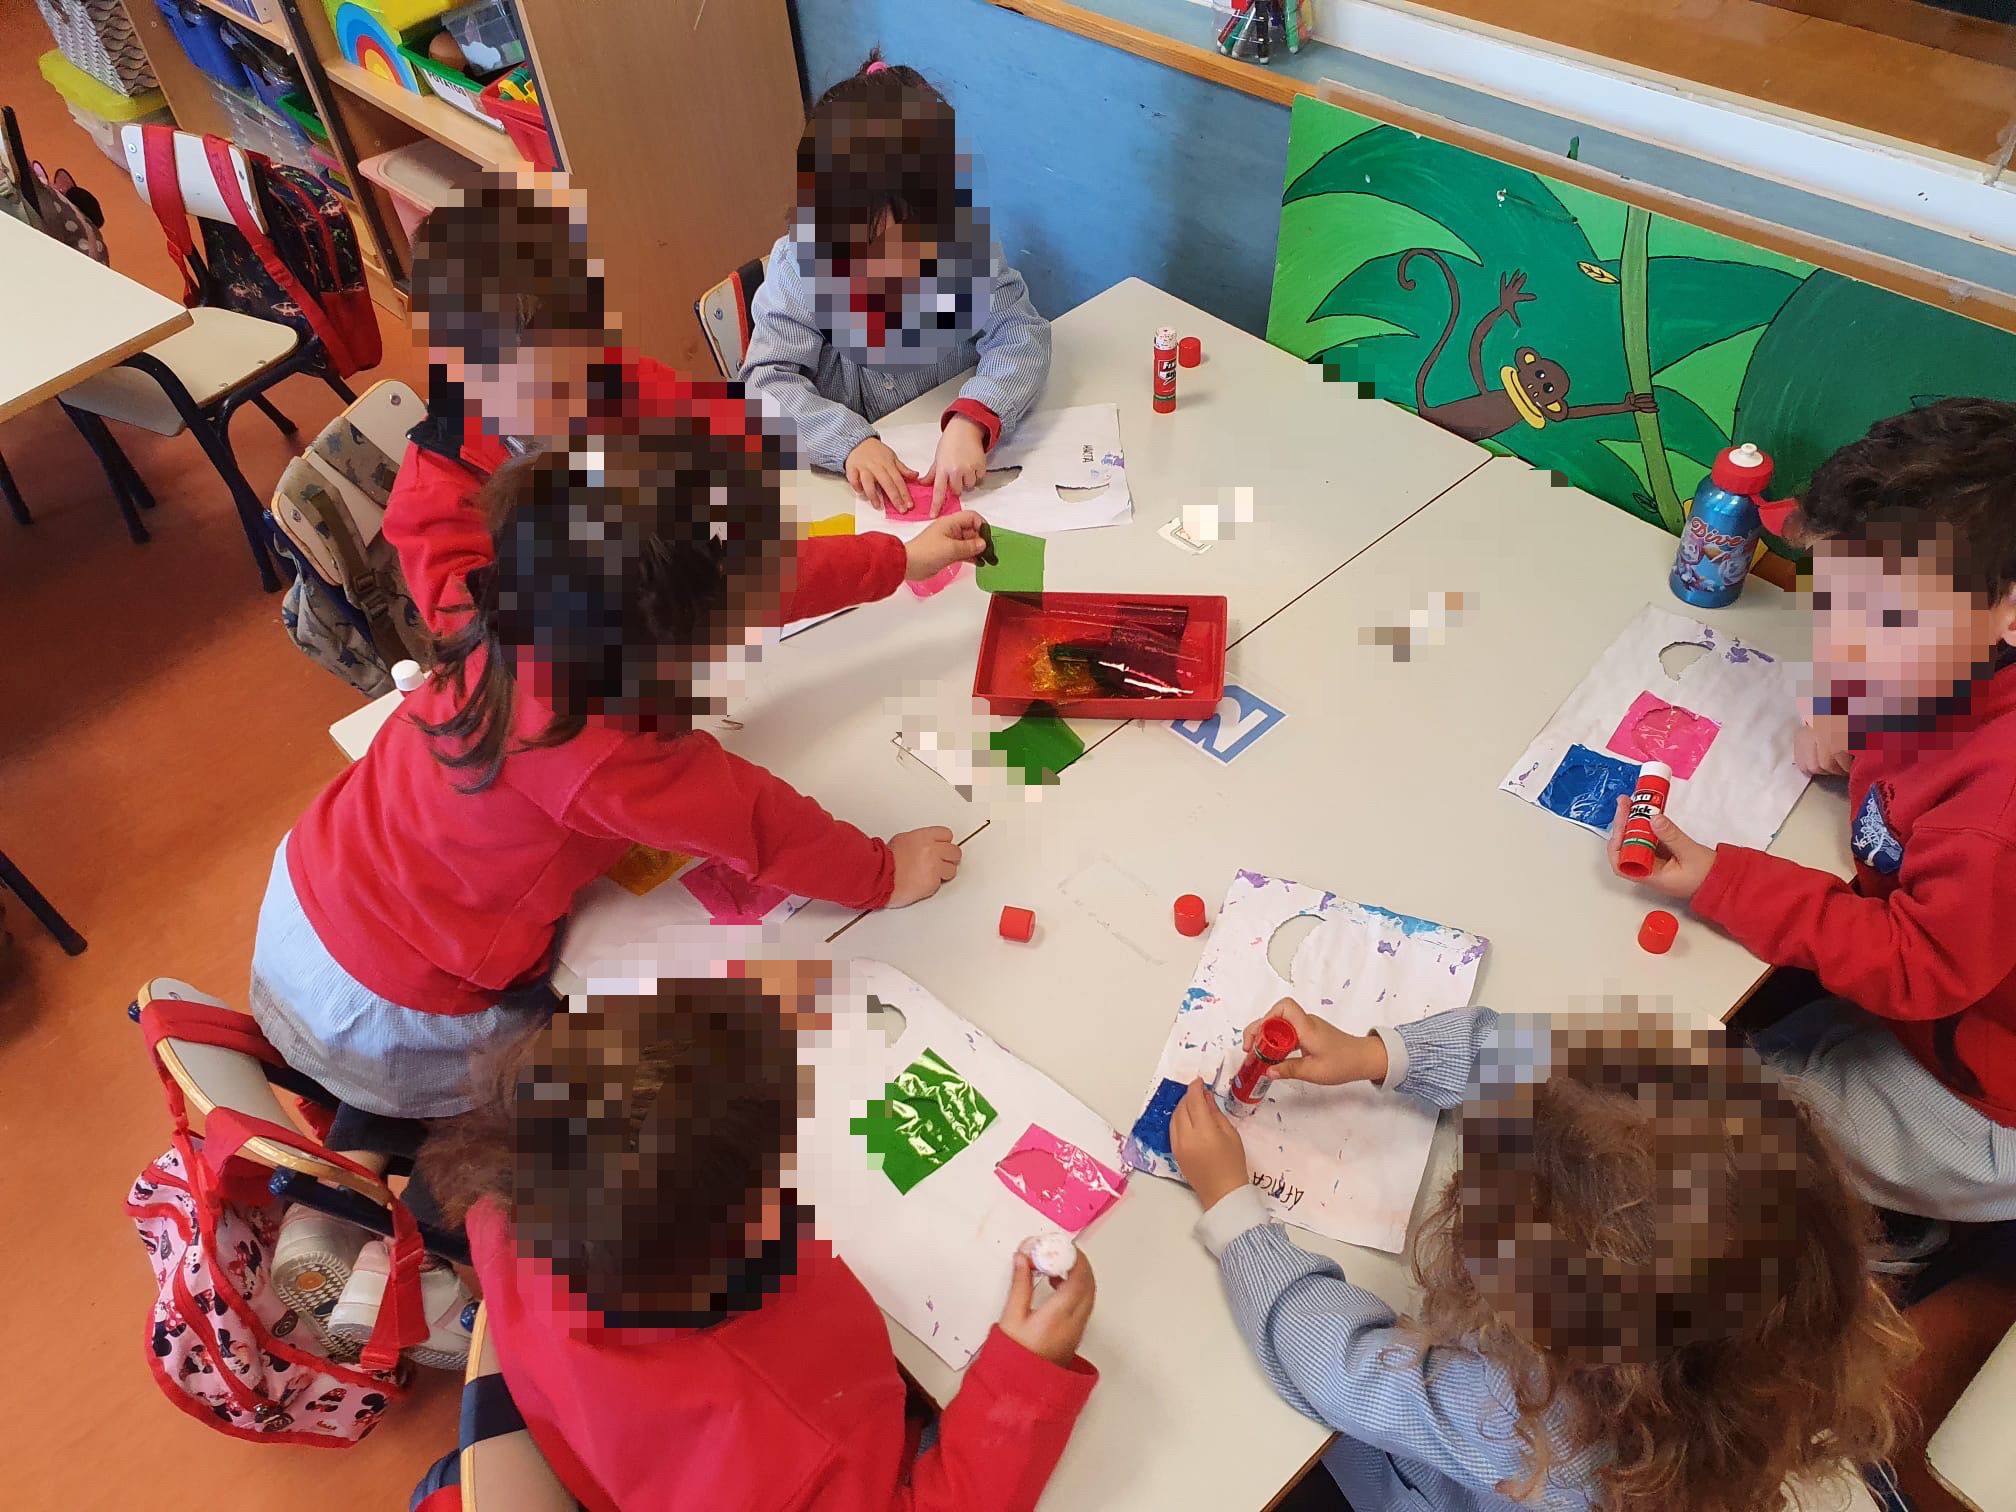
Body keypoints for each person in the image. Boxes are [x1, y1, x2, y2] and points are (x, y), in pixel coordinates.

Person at [251, 420, 980, 1126]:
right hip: (387, 1006)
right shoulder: (603, 751)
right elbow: (757, 822)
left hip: (307, 886)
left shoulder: (501, 597)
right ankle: (370, 1146)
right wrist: (884, 873)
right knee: (571, 1086)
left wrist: (898, 560)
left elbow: (730, 582)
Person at [1168, 998, 1913, 1512]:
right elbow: (1542, 1066)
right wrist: (1379, 1053)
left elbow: (1345, 1371)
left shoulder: (1537, 1422)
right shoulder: (1780, 1313)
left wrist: (1235, 1213)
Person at [422, 976, 1100, 1511]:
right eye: (773, 1175)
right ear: (742, 1234)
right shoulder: (775, 1455)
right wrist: (1024, 1381)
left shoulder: (511, 1205)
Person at [1612, 398, 2016, 1224]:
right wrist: (1865, 726)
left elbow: (1915, 965)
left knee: (1686, 1138)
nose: (1840, 650)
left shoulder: (1993, 821)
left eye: (1884, 620)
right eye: (1829, 601)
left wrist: (1725, 882)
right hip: (1931, 1007)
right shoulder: (1952, 667)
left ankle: (1892, 1240)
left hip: (1975, 1097)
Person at [741, 52, 1051, 516]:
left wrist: (974, 416)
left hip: (956, 471)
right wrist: (848, 443)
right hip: (845, 491)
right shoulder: (800, 270)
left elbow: (1020, 333)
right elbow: (765, 385)